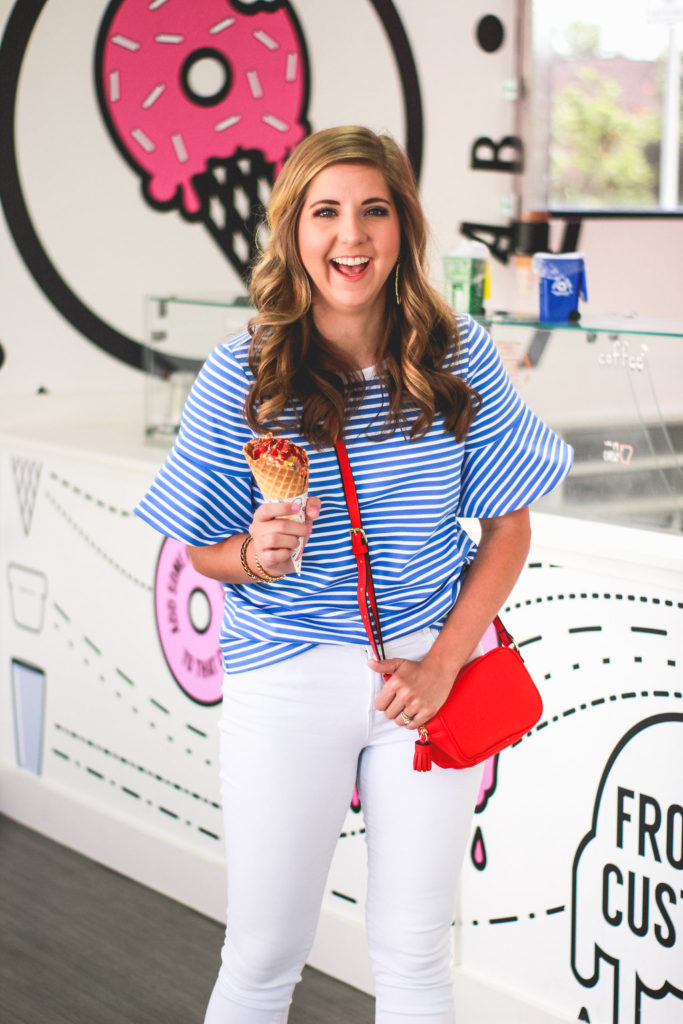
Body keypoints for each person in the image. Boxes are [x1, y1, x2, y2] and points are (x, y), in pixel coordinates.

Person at [135, 125, 573, 1024]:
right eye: (325, 212)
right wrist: (252, 554)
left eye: (374, 210)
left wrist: (443, 663)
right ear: (293, 228)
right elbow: (199, 549)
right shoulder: (243, 371)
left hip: (425, 673)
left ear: (403, 225)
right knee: (264, 954)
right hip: (284, 671)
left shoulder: (457, 355)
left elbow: (507, 528)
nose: (351, 236)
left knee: (414, 954)